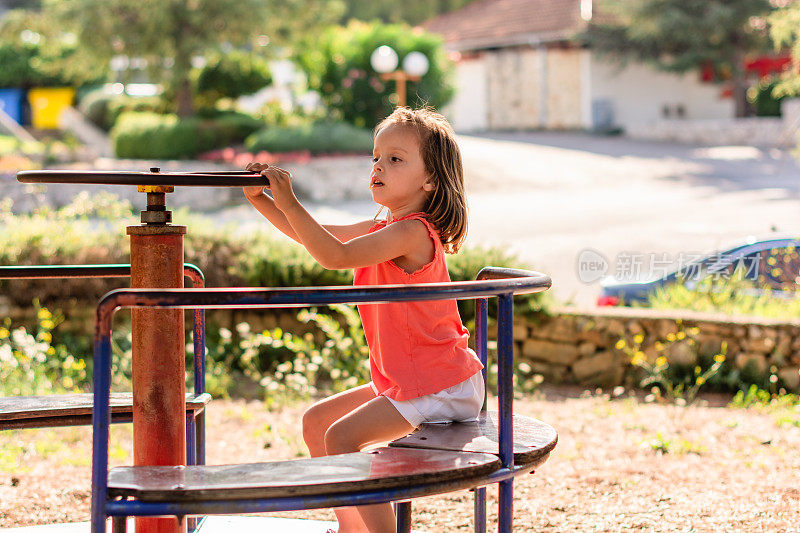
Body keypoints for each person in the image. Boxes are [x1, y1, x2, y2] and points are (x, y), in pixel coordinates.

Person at [242, 107, 484, 533]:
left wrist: (290, 199)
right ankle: (353, 529)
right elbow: (316, 236)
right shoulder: (384, 225)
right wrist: (263, 202)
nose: (378, 166)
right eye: (376, 157)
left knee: (341, 438)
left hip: (440, 382)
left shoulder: (412, 232)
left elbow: (335, 256)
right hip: (409, 378)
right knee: (317, 424)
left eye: (395, 159)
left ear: (429, 181)